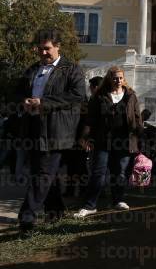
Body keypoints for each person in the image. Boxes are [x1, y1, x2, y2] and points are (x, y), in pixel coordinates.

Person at [17, 31, 86, 231]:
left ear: (58, 47)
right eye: (40, 49)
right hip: (33, 128)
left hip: (56, 130)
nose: (43, 52)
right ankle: (55, 211)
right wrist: (24, 101)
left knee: (43, 173)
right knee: (47, 173)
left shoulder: (71, 69)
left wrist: (44, 103)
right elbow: (19, 91)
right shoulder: (33, 69)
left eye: (47, 48)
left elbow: (77, 95)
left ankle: (27, 218)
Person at [74, 67, 142, 217]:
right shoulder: (99, 96)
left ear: (124, 79)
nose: (118, 81)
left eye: (120, 78)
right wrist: (85, 137)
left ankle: (118, 200)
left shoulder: (131, 95)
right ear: (109, 79)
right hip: (103, 140)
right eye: (115, 78)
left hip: (124, 140)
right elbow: (91, 119)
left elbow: (137, 118)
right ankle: (90, 205)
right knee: (98, 173)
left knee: (120, 172)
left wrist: (139, 138)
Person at [62, 76, 103, 197]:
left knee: (80, 167)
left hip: (81, 138)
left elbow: (87, 123)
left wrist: (84, 138)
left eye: (91, 87)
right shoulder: (88, 100)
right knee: (74, 166)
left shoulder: (91, 102)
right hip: (74, 138)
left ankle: (82, 190)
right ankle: (73, 190)